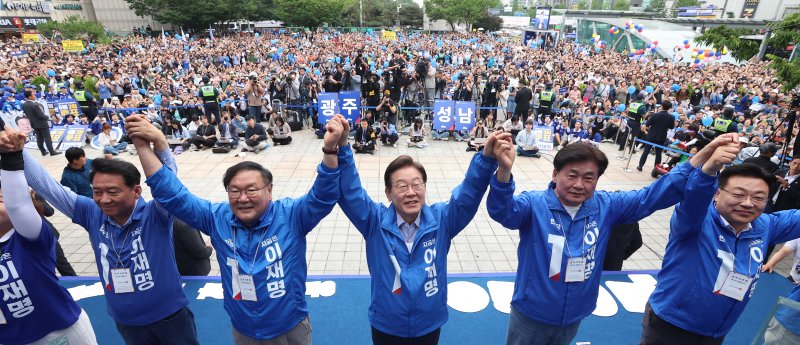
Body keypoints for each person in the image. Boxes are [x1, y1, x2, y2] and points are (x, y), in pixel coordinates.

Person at [486, 133, 735, 345]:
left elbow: (653, 196)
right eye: (571, 175)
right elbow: (502, 211)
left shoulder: (606, 205)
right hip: (531, 314)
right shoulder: (533, 204)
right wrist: (504, 172)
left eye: (588, 178)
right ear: (555, 174)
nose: (579, 184)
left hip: (574, 315)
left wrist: (704, 155)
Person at [126, 113, 346, 345]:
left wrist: (330, 149)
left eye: (251, 190)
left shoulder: (291, 215)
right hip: (243, 329)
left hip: (289, 326)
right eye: (234, 191)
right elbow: (173, 195)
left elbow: (324, 195)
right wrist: (152, 145)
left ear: (269, 190)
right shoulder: (216, 218)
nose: (242, 198)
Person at [0, 127, 200, 344]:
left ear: (136, 191)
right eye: (97, 192)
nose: (104, 199)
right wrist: (16, 151)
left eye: (113, 192)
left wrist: (160, 145)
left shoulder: (156, 214)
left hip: (169, 316)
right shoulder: (91, 213)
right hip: (126, 321)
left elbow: (169, 188)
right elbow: (48, 187)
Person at [336, 113, 504, 344]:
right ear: (388, 193)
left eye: (417, 184)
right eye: (401, 186)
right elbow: (351, 192)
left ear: (425, 187)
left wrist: (486, 160)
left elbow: (468, 195)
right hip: (387, 324)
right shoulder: (374, 222)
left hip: (428, 324)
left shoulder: (442, 220)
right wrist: (343, 146)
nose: (411, 192)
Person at [642, 158, 800, 344]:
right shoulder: (695, 221)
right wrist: (708, 171)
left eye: (758, 197)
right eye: (738, 194)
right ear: (717, 193)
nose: (748, 203)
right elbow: (693, 199)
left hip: (717, 330)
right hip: (671, 325)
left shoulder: (766, 225)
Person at [0, 133, 98, 345]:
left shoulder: (28, 238)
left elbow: (18, 205)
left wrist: (10, 155)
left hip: (60, 331)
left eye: (1, 197)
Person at [637, 101, 676, 172]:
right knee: (658, 154)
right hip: (661, 137)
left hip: (651, 135)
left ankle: (640, 166)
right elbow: (671, 127)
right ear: (669, 108)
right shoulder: (671, 117)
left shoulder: (655, 115)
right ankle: (656, 170)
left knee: (646, 151)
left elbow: (647, 124)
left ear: (662, 106)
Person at [22, 90, 60, 156]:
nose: (35, 96)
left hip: (34, 124)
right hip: (42, 124)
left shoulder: (24, 104)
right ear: (30, 96)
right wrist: (49, 118)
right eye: (33, 95)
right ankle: (52, 152)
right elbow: (41, 115)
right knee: (47, 138)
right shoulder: (35, 105)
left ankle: (43, 152)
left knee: (39, 138)